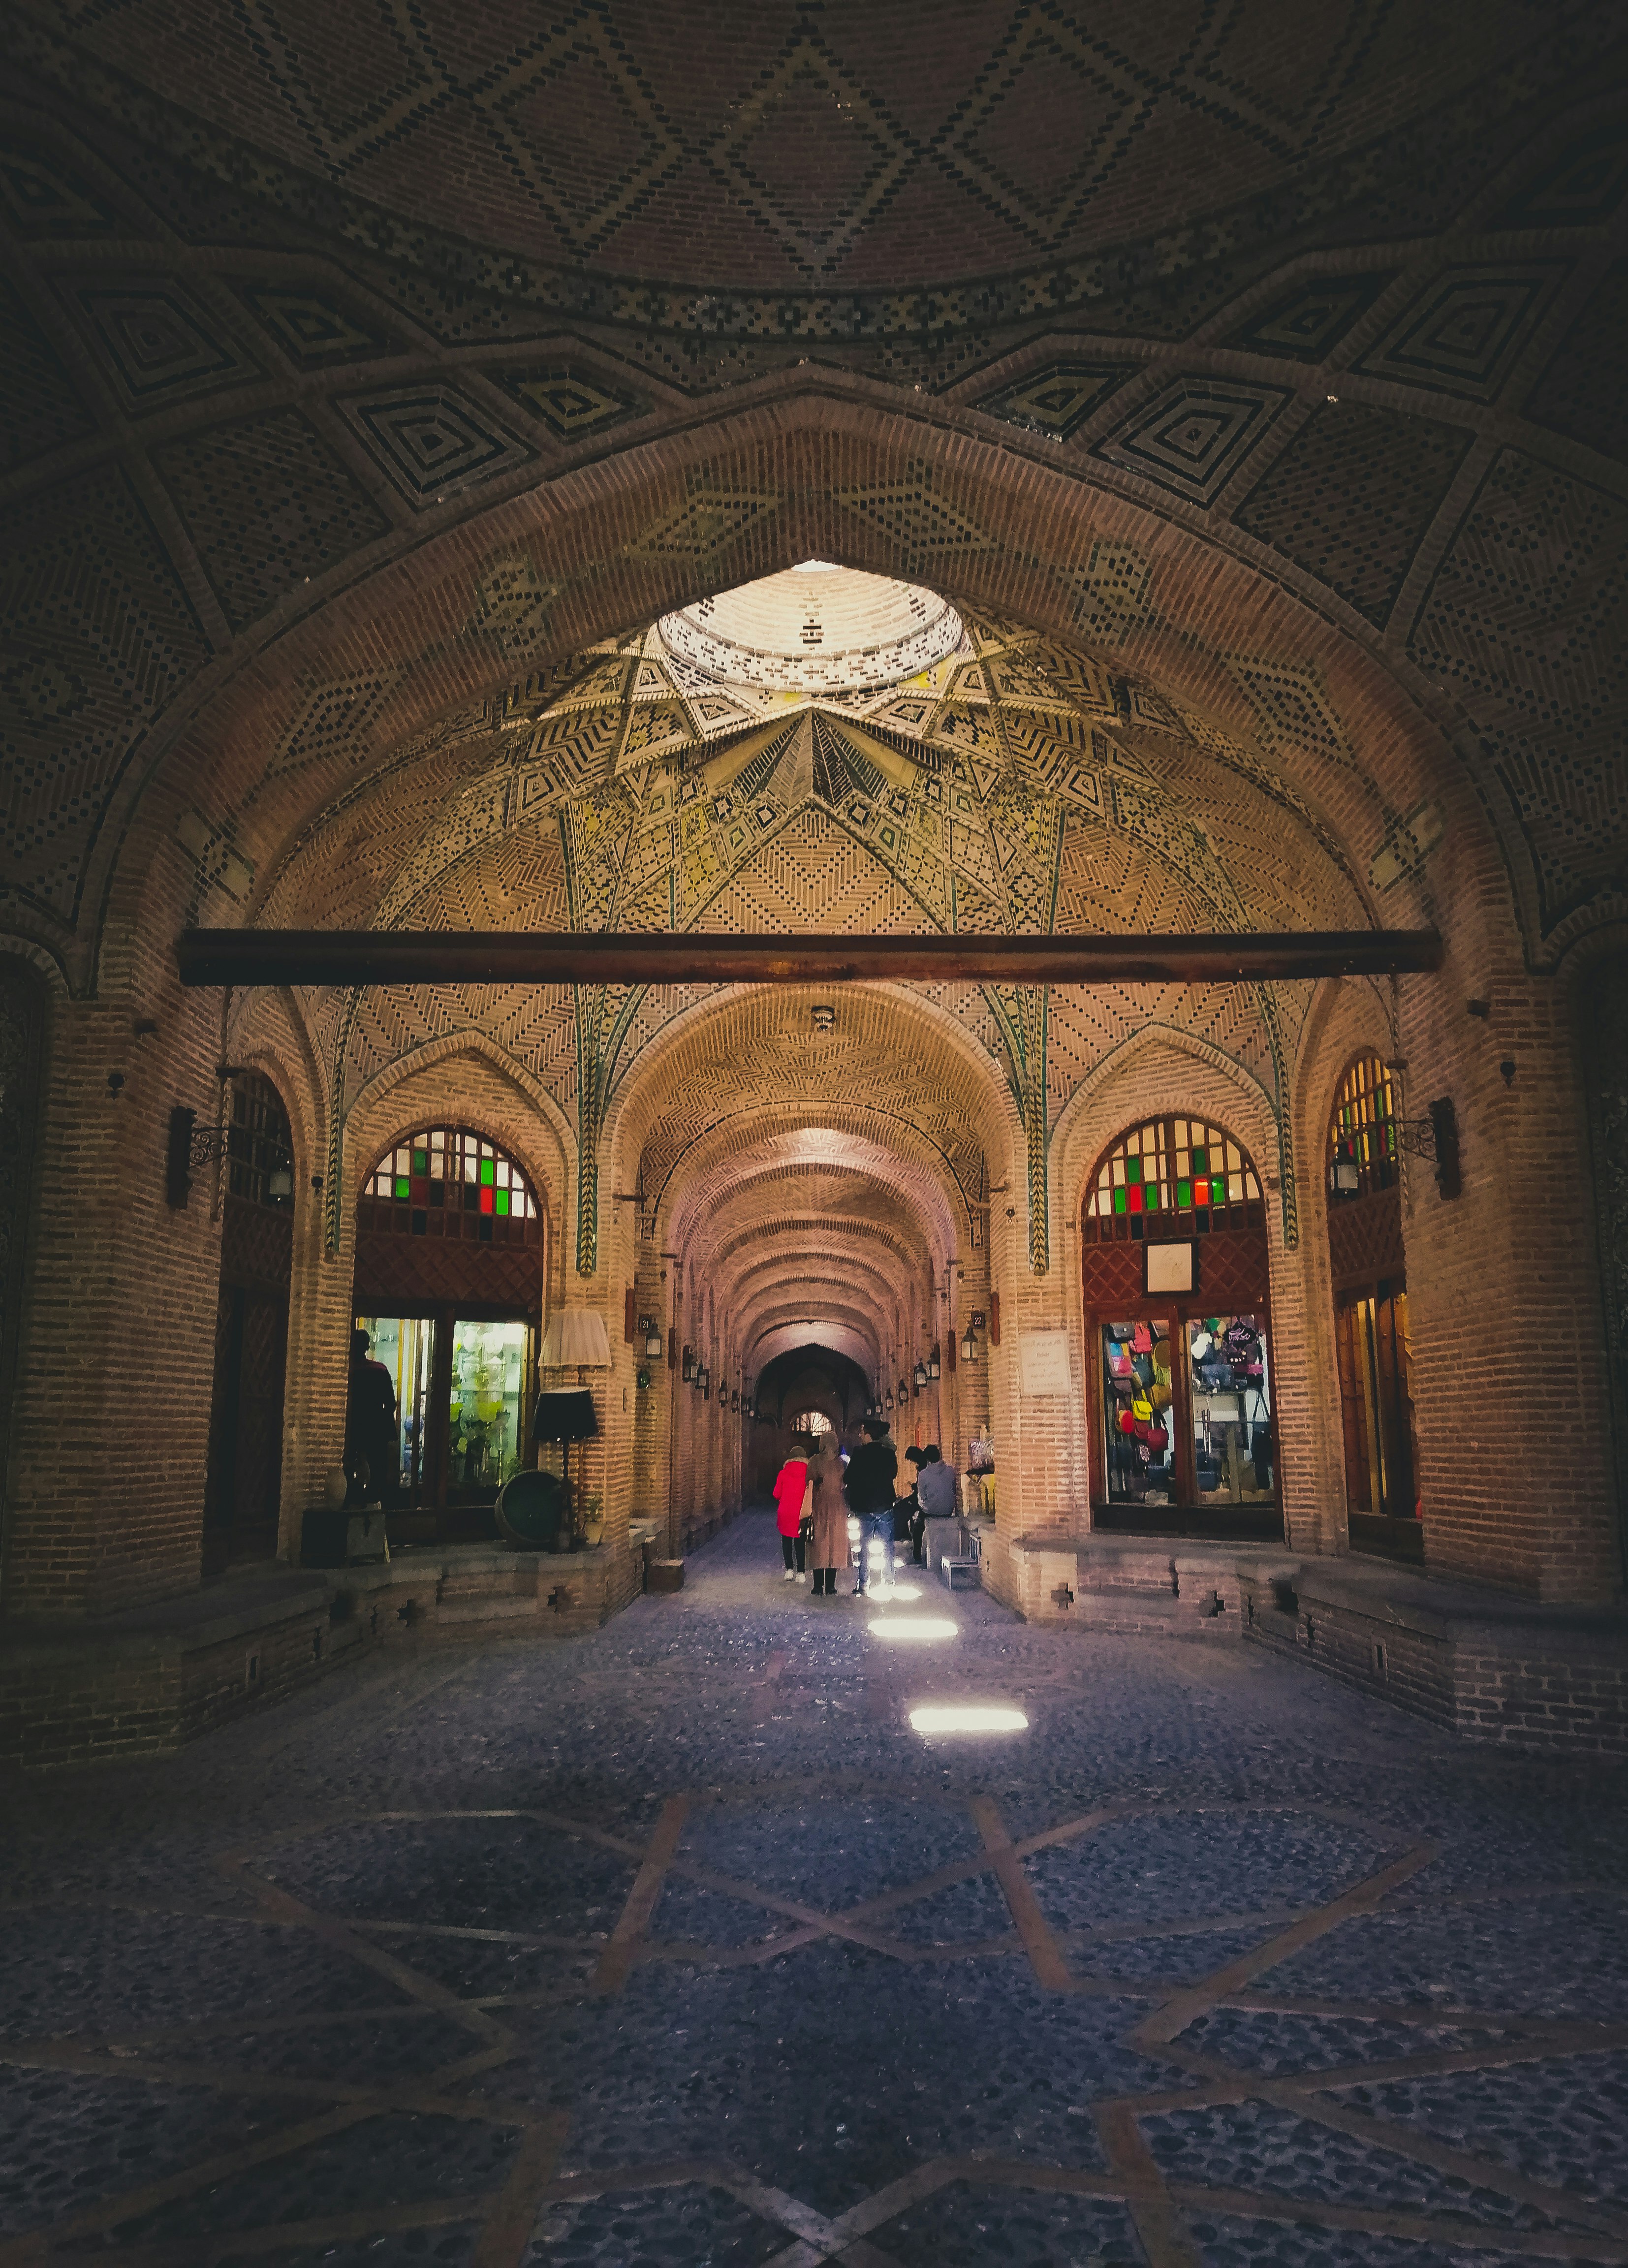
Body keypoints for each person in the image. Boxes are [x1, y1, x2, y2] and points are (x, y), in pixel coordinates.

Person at [843, 1417, 898, 1596]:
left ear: (868, 1435)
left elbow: (848, 1478)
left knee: (864, 1546)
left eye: (862, 1432)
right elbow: (893, 1474)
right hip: (885, 1505)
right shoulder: (888, 1453)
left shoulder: (859, 1454)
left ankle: (863, 1583)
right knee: (888, 1545)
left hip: (865, 1507)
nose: (860, 1435)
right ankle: (889, 1580)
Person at [346, 1327, 399, 1506]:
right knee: (377, 1476)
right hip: (376, 1431)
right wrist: (378, 1419)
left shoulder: (348, 1371)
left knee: (350, 1472)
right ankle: (375, 1510)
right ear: (367, 1346)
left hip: (352, 1429)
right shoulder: (380, 1370)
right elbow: (391, 1404)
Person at [806, 1432, 845, 1598]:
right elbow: (844, 1484)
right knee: (834, 1546)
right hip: (837, 1508)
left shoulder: (815, 1461)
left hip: (819, 1507)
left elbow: (808, 1481)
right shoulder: (840, 1464)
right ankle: (831, 1586)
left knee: (819, 1544)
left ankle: (818, 1586)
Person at [771, 1436, 812, 1581]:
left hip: (785, 1512)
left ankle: (789, 1570)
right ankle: (801, 1573)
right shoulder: (808, 1473)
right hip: (801, 1513)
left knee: (786, 1542)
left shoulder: (783, 1473)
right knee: (800, 1543)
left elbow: (776, 1494)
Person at [915, 1443, 956, 1564]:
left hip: (931, 1512)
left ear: (927, 1459)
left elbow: (922, 1496)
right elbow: (953, 1489)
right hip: (948, 1510)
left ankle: (918, 1558)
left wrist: (924, 1506)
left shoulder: (923, 1474)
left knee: (917, 1528)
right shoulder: (950, 1471)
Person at [898, 1445, 926, 1569]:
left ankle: (915, 1553)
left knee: (900, 1510)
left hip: (921, 1502)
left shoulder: (924, 1469)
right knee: (900, 1508)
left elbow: (922, 1491)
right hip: (919, 1499)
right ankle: (905, 1536)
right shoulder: (922, 1468)